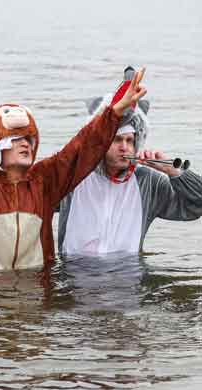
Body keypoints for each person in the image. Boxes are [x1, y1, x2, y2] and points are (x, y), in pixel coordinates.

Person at [0, 68, 147, 273]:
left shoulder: (44, 180)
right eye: (15, 139)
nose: (25, 143)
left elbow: (81, 149)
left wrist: (115, 112)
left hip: (36, 300)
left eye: (28, 139)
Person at [58, 67, 202, 255]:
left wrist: (173, 171)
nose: (125, 147)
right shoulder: (73, 175)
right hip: (74, 276)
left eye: (130, 141)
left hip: (127, 276)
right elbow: (32, 195)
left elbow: (196, 206)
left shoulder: (148, 182)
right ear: (101, 142)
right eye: (117, 140)